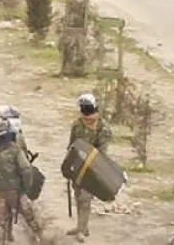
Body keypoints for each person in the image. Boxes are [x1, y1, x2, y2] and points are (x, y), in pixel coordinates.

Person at [0, 120, 48, 245]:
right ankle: (39, 239)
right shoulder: (16, 151)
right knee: (29, 216)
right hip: (16, 191)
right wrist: (26, 187)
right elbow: (26, 169)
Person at [67, 93, 111, 242]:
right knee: (78, 197)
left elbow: (102, 153)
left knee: (85, 199)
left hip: (92, 168)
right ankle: (82, 226)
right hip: (78, 166)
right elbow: (72, 144)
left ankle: (81, 229)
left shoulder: (103, 128)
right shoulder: (77, 124)